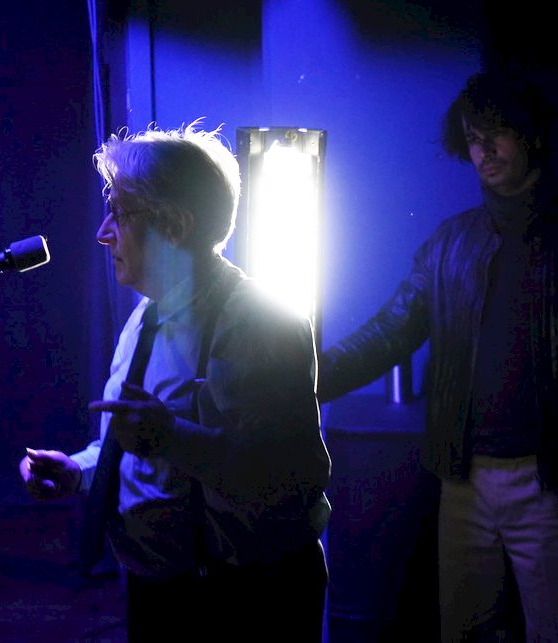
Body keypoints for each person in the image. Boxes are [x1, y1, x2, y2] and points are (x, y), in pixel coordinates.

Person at [317, 70, 558, 642]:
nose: (483, 150)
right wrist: (301, 377)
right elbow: (390, 332)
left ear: (532, 134)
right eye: (471, 138)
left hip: (554, 479)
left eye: (497, 133)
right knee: (465, 633)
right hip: (464, 480)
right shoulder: (450, 244)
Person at [19, 120, 332, 642]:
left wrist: (172, 439)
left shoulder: (260, 323)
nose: (103, 232)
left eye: (120, 212)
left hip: (244, 602)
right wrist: (80, 470)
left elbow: (283, 477)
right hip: (164, 592)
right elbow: (141, 445)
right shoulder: (145, 316)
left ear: (175, 226)